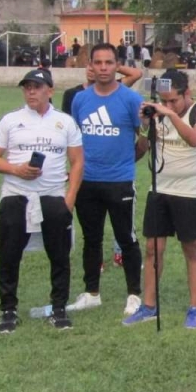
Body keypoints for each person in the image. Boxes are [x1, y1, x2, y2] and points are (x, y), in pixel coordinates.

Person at [0, 69, 83, 333]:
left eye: (37, 87)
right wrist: (15, 169)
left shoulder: (65, 122)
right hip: (16, 196)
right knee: (9, 255)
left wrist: (70, 197)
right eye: (27, 87)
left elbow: (77, 161)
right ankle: (8, 310)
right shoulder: (11, 120)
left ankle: (59, 307)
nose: (31, 91)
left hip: (52, 196)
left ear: (50, 91)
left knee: (59, 255)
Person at [124, 69, 196, 328]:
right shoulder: (159, 113)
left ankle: (194, 307)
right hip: (159, 189)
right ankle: (149, 305)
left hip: (189, 192)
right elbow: (145, 144)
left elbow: (195, 139)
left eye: (173, 100)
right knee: (152, 249)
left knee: (191, 249)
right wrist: (145, 122)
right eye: (163, 101)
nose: (167, 105)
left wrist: (171, 114)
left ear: (187, 93)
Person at [67, 43, 145, 318]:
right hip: (87, 182)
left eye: (109, 62)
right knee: (92, 239)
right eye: (98, 62)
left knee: (127, 238)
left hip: (120, 181)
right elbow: (74, 140)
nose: (103, 68)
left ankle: (134, 295)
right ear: (91, 65)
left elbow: (144, 139)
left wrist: (124, 164)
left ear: (117, 65)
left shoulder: (131, 99)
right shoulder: (80, 100)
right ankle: (91, 293)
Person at [61, 59, 142, 116]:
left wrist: (113, 66)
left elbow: (137, 74)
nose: (91, 69)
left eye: (96, 65)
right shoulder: (72, 94)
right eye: (90, 65)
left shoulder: (113, 89)